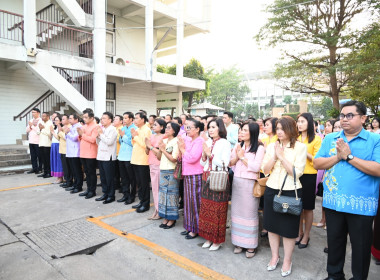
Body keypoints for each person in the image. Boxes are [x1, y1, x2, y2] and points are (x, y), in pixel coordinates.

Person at [314, 100, 380, 280]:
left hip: (361, 205)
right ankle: (334, 275)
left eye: (350, 115)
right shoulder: (330, 138)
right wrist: (338, 156)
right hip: (333, 202)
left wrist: (349, 157)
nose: (344, 119)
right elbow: (317, 163)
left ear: (363, 118)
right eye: (342, 115)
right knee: (334, 243)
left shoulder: (375, 140)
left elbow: (377, 169)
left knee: (360, 247)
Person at [262, 116, 307, 277]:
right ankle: (275, 256)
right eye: (277, 129)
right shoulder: (271, 146)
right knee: (272, 226)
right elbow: (265, 170)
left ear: (291, 129)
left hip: (290, 190)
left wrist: (281, 157)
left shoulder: (300, 147)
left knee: (288, 229)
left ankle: (287, 259)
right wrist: (274, 156)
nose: (279, 132)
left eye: (282, 128)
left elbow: (296, 173)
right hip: (271, 188)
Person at [229, 122, 265, 257]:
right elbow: (230, 163)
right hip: (237, 182)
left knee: (249, 214)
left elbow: (256, 167)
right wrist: (237, 156)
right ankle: (238, 242)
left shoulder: (259, 148)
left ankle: (250, 245)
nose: (241, 133)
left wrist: (242, 157)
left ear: (253, 133)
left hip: (250, 183)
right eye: (241, 130)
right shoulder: (239, 145)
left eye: (244, 130)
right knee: (237, 212)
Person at [198, 119, 231, 251]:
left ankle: (217, 240)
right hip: (206, 176)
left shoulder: (225, 143)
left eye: (213, 127)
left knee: (218, 211)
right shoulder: (207, 142)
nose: (210, 130)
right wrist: (205, 156)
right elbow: (202, 163)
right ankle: (208, 237)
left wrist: (209, 155)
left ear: (220, 128)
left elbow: (225, 163)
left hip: (219, 177)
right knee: (206, 209)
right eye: (209, 127)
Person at [296, 113, 322, 249]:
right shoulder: (296, 137)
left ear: (309, 123)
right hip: (296, 175)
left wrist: (302, 149)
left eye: (302, 121)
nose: (299, 124)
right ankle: (299, 233)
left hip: (309, 176)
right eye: (298, 121)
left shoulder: (316, 140)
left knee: (308, 208)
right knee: (297, 206)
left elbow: (317, 160)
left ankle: (306, 235)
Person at [178, 119, 205, 239]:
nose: (187, 130)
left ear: (198, 129)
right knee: (188, 202)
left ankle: (196, 229)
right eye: (186, 128)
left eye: (189, 128)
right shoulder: (188, 139)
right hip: (187, 173)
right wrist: (182, 148)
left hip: (196, 174)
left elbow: (192, 158)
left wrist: (182, 149)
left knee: (195, 203)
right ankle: (189, 226)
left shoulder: (199, 141)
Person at [157, 122, 181, 228]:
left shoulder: (176, 142)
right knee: (163, 195)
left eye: (169, 128)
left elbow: (174, 159)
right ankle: (165, 217)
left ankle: (172, 219)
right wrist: (159, 149)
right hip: (163, 170)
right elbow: (159, 157)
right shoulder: (165, 140)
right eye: (166, 127)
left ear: (174, 131)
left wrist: (163, 150)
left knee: (171, 195)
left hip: (171, 170)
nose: (166, 129)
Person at [131, 112, 152, 212]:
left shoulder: (147, 130)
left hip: (143, 160)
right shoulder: (138, 129)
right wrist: (133, 137)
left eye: (136, 118)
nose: (134, 120)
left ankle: (145, 204)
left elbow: (145, 145)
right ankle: (141, 201)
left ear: (143, 119)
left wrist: (135, 137)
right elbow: (134, 143)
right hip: (136, 159)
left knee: (144, 183)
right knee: (139, 183)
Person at [145, 119, 166, 219]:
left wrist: (150, 146)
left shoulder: (163, 138)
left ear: (162, 127)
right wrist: (147, 145)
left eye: (156, 125)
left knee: (158, 189)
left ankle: (159, 211)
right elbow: (147, 151)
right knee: (154, 189)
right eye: (153, 125)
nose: (153, 126)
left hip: (159, 164)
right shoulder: (152, 136)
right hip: (151, 163)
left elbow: (159, 154)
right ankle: (156, 210)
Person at [95, 112, 118, 204]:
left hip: (109, 157)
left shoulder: (112, 129)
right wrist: (98, 136)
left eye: (104, 118)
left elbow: (109, 142)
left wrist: (101, 135)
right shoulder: (103, 129)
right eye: (101, 118)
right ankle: (105, 193)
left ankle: (111, 195)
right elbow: (98, 143)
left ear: (110, 120)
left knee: (109, 178)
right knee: (103, 177)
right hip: (101, 156)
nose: (102, 120)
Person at [77, 109, 98, 198]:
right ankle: (88, 189)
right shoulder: (84, 126)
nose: (84, 119)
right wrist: (80, 135)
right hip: (83, 152)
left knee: (91, 172)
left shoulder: (96, 127)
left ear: (92, 118)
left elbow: (93, 140)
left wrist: (82, 135)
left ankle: (92, 191)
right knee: (86, 172)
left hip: (91, 153)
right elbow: (80, 138)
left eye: (86, 117)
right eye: (83, 117)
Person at [118, 112, 137, 205]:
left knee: (131, 178)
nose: (124, 120)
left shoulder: (135, 129)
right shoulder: (123, 128)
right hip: (121, 156)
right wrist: (122, 137)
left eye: (126, 118)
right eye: (123, 118)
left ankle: (132, 196)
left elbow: (131, 142)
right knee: (124, 178)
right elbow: (120, 141)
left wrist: (123, 136)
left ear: (131, 119)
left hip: (129, 156)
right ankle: (125, 195)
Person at [65, 114, 83, 193]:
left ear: (76, 119)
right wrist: (66, 133)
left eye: (71, 118)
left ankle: (78, 186)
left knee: (77, 170)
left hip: (76, 152)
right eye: (69, 118)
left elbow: (75, 138)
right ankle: (75, 185)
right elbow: (67, 138)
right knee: (73, 170)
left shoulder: (78, 127)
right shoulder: (71, 127)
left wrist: (68, 133)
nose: (69, 120)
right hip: (70, 151)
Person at [56, 114, 72, 188]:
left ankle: (69, 181)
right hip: (62, 149)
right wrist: (60, 131)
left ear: (68, 120)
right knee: (64, 167)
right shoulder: (62, 127)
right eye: (61, 119)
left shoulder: (70, 127)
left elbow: (66, 137)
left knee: (68, 167)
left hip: (67, 150)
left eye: (63, 119)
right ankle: (66, 180)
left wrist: (61, 132)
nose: (61, 121)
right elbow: (59, 138)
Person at [26, 108, 43, 174]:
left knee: (39, 156)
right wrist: (30, 126)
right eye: (32, 112)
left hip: (38, 141)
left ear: (38, 113)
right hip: (31, 140)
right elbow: (27, 130)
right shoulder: (31, 120)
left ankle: (40, 168)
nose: (33, 113)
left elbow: (38, 130)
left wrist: (32, 126)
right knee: (33, 156)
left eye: (34, 112)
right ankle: (34, 168)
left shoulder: (41, 120)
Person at [37, 112, 53, 178]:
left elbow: (49, 134)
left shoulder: (50, 123)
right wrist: (41, 128)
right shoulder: (42, 123)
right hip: (41, 143)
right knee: (43, 159)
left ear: (48, 117)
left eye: (44, 116)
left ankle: (49, 173)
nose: (42, 117)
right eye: (42, 116)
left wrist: (42, 129)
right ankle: (45, 172)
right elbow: (37, 132)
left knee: (47, 160)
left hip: (47, 144)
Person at [49, 115, 64, 184]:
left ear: (60, 121)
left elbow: (59, 138)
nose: (55, 121)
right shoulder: (55, 128)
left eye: (57, 120)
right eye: (55, 120)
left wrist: (52, 132)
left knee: (59, 162)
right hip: (53, 145)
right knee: (54, 161)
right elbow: (51, 138)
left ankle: (60, 177)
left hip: (58, 145)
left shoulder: (61, 128)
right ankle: (57, 177)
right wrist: (51, 132)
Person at [113, 115, 123, 193]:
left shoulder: (121, 129)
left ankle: (121, 186)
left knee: (120, 171)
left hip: (120, 152)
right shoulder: (114, 128)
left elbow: (118, 139)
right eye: (114, 119)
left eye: (116, 119)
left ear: (121, 121)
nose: (114, 120)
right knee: (115, 171)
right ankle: (116, 184)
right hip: (114, 152)